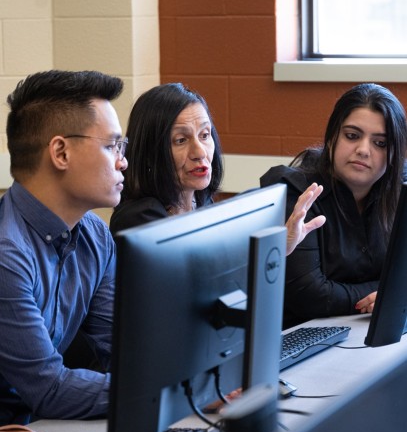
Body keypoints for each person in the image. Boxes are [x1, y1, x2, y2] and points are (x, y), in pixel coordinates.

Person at [0, 70, 127, 425]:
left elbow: (120, 346)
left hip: (44, 429)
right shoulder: (7, 254)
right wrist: (172, 390)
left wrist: (195, 380)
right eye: (111, 146)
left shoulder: (95, 235)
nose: (123, 161)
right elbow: (49, 389)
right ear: (60, 152)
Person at [110, 83, 326, 255]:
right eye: (181, 140)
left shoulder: (200, 202)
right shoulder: (138, 218)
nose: (200, 152)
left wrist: (281, 246)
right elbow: (197, 280)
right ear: (150, 151)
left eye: (205, 135)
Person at [260, 83, 407, 329]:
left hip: (371, 330)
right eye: (352, 136)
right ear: (332, 138)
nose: (363, 150)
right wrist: (389, 293)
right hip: (303, 337)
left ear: (393, 154)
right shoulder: (297, 190)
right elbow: (312, 296)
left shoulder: (400, 186)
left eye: (380, 143)